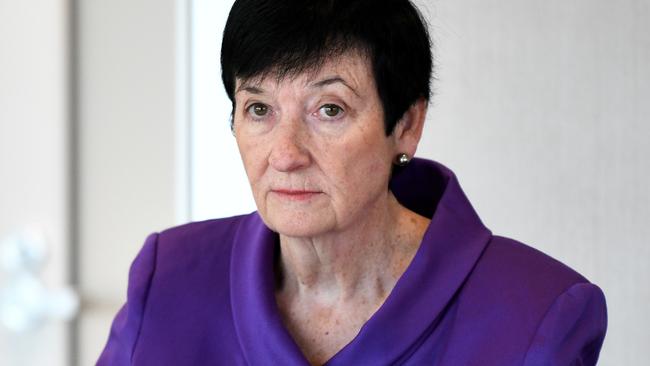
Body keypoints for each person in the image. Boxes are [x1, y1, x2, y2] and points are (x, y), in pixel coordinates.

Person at [97, 0, 608, 365]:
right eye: (259, 108)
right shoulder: (169, 279)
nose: (285, 154)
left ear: (406, 125)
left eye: (329, 109)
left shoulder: (541, 312)